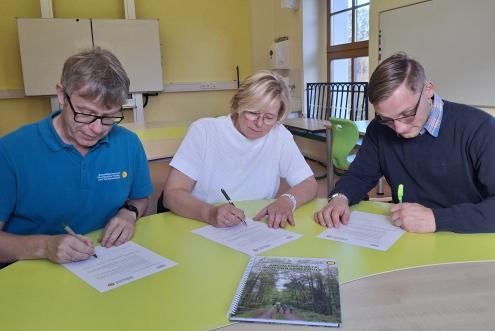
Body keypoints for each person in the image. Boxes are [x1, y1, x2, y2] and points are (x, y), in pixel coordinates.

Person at [0, 47, 153, 265]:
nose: (98, 128)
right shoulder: (10, 152)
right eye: (86, 113)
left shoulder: (128, 144)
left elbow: (140, 197)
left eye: (109, 116)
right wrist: (45, 246)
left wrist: (129, 213)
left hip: (104, 266)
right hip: (28, 273)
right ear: (61, 95)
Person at [314, 53, 495, 233]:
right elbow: (359, 175)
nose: (399, 128)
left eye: (407, 114)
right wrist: (340, 197)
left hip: (469, 238)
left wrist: (436, 219)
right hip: (407, 237)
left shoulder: (479, 128)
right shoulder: (379, 129)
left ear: (428, 90)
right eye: (387, 118)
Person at [163, 70, 317, 229]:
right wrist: (210, 213)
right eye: (252, 113)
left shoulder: (279, 135)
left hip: (254, 228)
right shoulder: (204, 131)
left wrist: (287, 201)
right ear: (238, 105)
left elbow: (309, 183)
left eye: (269, 117)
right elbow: (172, 194)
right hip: (200, 224)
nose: (259, 123)